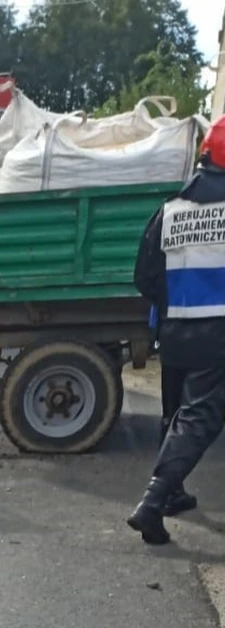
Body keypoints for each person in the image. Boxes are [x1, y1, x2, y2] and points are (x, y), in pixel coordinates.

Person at [126, 116, 225, 545]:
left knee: (177, 414)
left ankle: (172, 495)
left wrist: (177, 306)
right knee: (200, 417)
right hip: (217, 334)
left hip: (176, 332)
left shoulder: (170, 210)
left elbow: (144, 277)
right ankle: (152, 502)